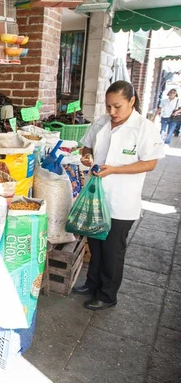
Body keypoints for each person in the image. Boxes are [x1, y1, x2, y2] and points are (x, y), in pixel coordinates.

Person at [74, 80, 165, 311]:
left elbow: (150, 163)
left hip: (122, 201)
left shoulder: (144, 128)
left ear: (132, 101)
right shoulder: (102, 122)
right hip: (96, 196)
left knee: (112, 250)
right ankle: (92, 283)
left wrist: (114, 169)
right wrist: (87, 157)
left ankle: (107, 294)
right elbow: (87, 147)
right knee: (94, 244)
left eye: (118, 107)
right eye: (108, 107)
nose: (112, 112)